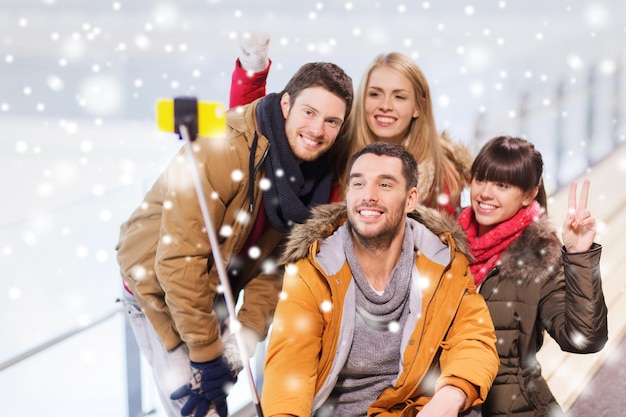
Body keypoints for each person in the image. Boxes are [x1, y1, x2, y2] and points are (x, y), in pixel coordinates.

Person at [115, 61, 353, 417]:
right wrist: (207, 354)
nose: (318, 129)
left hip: (216, 287)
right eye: (309, 112)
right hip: (157, 286)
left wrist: (247, 334)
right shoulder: (222, 148)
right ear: (286, 105)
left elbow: (274, 264)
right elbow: (179, 261)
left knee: (217, 396)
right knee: (198, 408)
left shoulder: (310, 177)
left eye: (331, 121)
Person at [261, 141, 499, 416]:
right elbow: (289, 369)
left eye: (385, 185)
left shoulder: (443, 262)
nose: (369, 196)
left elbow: (473, 336)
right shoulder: (313, 271)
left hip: (415, 408)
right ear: (347, 192)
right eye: (358, 184)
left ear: (410, 199)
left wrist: (451, 395)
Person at [230, 32, 473, 214]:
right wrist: (253, 69)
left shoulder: (446, 174)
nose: (385, 105)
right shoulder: (335, 150)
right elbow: (260, 132)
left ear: (418, 106)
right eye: (375, 94)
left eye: (399, 96)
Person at [456, 135, 609, 417]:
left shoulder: (539, 259)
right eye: (480, 179)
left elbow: (583, 339)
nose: (485, 193)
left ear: (529, 194)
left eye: (502, 185)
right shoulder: (447, 243)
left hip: (514, 408)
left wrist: (578, 256)